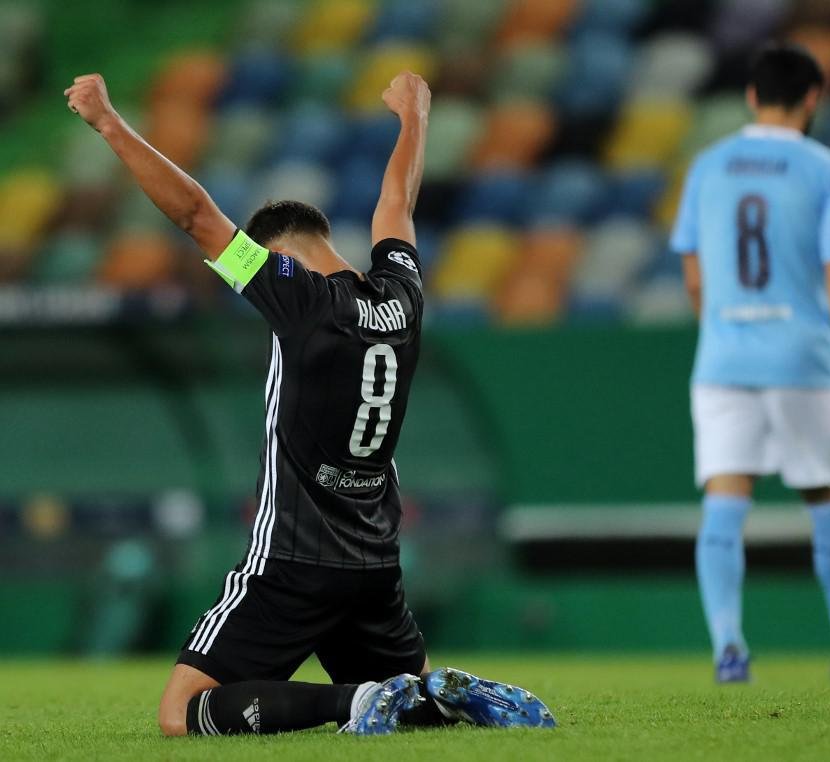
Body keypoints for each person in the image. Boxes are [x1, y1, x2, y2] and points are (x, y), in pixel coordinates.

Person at [65, 70, 555, 735]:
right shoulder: (402, 298)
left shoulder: (298, 299)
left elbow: (195, 216)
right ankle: (440, 697)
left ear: (280, 256)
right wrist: (415, 117)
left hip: (293, 561)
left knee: (181, 714)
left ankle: (348, 704)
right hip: (376, 563)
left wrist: (108, 124)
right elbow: (395, 207)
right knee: (410, 702)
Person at [670, 44, 830, 683]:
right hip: (802, 356)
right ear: (811, 99)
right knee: (828, 502)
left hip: (723, 359)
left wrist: (717, 330)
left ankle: (727, 647)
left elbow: (693, 274)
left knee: (724, 502)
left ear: (751, 97)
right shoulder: (826, 169)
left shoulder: (708, 166)